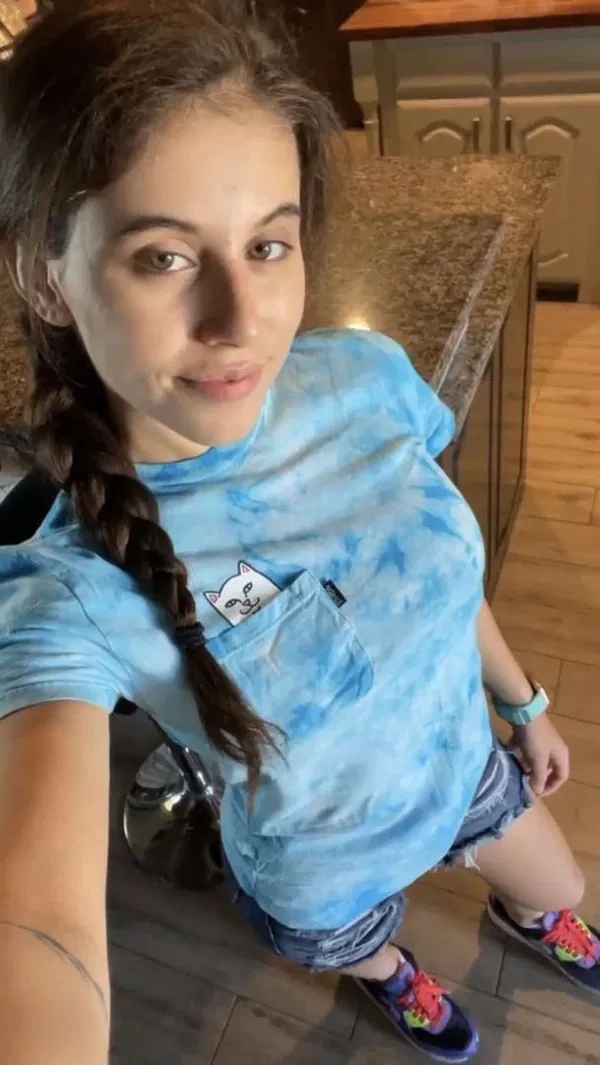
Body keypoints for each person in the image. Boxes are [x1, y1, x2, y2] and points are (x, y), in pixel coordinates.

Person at [0, 2, 597, 1062]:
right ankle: (390, 973)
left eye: (268, 244)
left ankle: (528, 917)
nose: (243, 319)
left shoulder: (364, 382)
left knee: (563, 883)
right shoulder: (73, 588)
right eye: (163, 257)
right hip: (320, 870)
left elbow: (432, 573)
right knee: (359, 946)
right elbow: (38, 919)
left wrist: (522, 701)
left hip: (461, 767)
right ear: (46, 277)